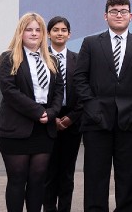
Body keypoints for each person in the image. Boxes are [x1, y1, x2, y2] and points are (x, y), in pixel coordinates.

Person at [73, 0, 132, 212]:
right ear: (105, 16)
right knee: (95, 176)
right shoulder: (91, 43)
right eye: (114, 11)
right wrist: (91, 106)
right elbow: (80, 78)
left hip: (131, 121)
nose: (118, 15)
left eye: (123, 11)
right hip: (96, 121)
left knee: (128, 177)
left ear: (130, 15)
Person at [0, 12, 64, 212]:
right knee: (17, 179)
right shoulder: (8, 58)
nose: (34, 33)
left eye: (38, 30)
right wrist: (37, 111)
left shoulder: (52, 60)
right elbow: (9, 91)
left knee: (38, 180)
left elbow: (59, 91)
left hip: (44, 129)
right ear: (21, 32)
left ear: (43, 34)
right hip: (16, 128)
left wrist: (51, 113)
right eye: (29, 29)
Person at [44, 16, 83, 212]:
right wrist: (52, 116)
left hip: (72, 120)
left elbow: (85, 91)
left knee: (67, 172)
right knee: (48, 172)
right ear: (48, 34)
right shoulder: (40, 58)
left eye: (63, 30)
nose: (60, 33)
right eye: (55, 30)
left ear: (69, 34)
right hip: (46, 119)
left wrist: (71, 118)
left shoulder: (79, 59)